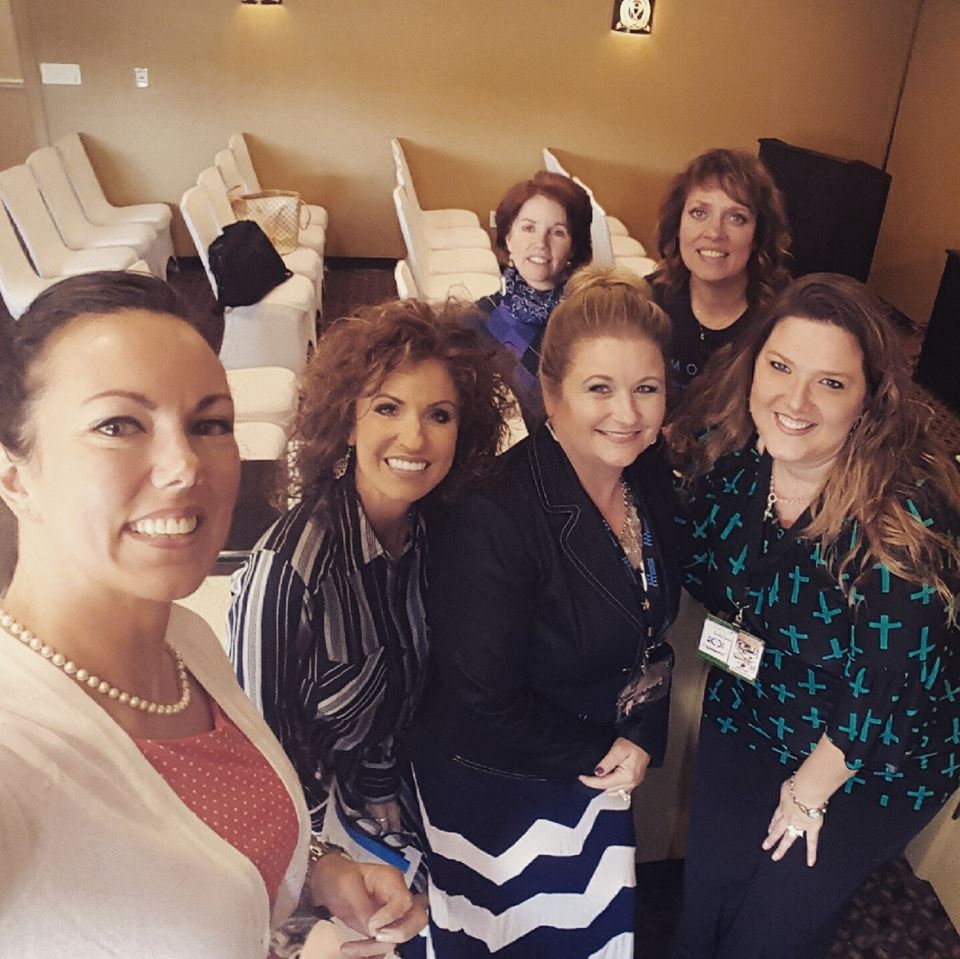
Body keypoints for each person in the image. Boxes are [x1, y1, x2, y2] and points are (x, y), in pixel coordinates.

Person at [0, 272, 425, 958]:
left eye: (209, 424)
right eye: (118, 424)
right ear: (16, 476)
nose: (184, 466)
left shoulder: (183, 639)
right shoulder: (17, 745)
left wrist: (317, 873)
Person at [669, 273, 960, 959]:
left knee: (775, 918)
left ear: (869, 400)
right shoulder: (733, 468)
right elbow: (690, 562)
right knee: (709, 883)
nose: (794, 401)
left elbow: (887, 691)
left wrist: (805, 796)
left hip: (877, 751)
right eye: (780, 367)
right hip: (757, 699)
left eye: (830, 382)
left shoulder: (901, 519)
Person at [409, 266, 681, 957]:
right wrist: (604, 751)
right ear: (552, 396)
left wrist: (642, 733)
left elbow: (649, 628)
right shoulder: (495, 513)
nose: (628, 412)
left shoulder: (647, 477)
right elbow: (481, 700)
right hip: (500, 793)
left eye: (647, 388)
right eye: (600, 388)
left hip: (597, 770)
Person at [226, 301, 509, 916]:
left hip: (386, 788)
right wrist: (322, 864)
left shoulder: (431, 534)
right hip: (303, 840)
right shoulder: (287, 576)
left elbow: (401, 688)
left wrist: (382, 782)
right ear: (347, 423)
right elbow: (257, 766)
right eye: (387, 408)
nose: (415, 438)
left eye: (439, 415)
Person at [651, 148, 791, 404]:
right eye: (699, 213)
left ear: (758, 236)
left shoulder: (785, 320)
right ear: (677, 224)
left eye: (736, 218)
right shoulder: (648, 302)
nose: (715, 233)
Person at [476, 170, 593, 425]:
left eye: (558, 232)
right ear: (508, 237)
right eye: (528, 228)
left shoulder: (590, 320)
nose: (541, 243)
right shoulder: (478, 321)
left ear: (573, 248)